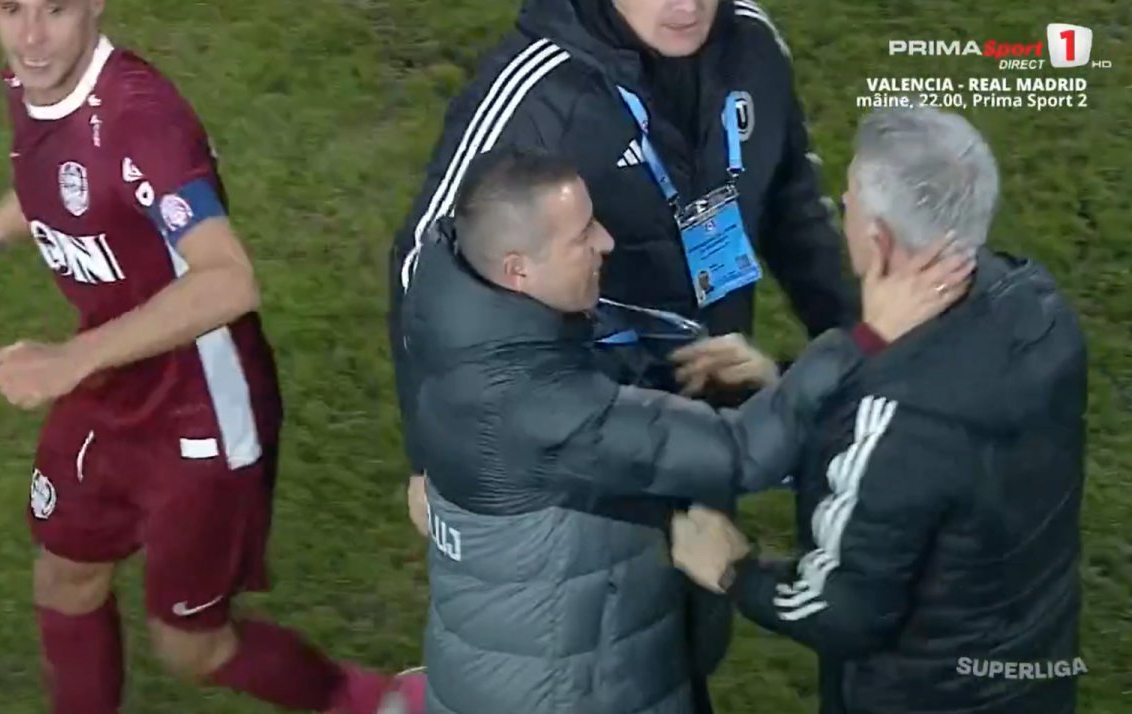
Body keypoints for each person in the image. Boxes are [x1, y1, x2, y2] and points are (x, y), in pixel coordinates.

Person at [0, 2, 423, 713]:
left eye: (55, 8)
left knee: (191, 647)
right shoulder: (35, 77)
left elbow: (229, 280)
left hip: (201, 413)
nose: (31, 37)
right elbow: (54, 176)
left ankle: (373, 701)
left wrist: (69, 362)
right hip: (111, 384)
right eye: (12, 8)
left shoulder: (142, 122)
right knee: (65, 577)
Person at [387, 0, 858, 690]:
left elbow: (793, 206)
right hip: (583, 433)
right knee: (587, 644)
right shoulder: (536, 94)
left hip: (704, 395)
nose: (686, 5)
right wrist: (430, 454)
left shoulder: (752, 44)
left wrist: (872, 354)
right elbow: (423, 268)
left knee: (692, 624)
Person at [400, 146, 973, 714]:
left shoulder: (455, 311)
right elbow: (741, 453)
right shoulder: (547, 411)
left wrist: (697, 370)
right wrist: (865, 339)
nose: (606, 241)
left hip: (523, 667)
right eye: (582, 236)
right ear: (518, 270)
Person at [668, 106, 1087, 714]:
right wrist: (784, 383)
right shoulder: (1041, 309)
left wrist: (735, 570)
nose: (842, 204)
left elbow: (845, 610)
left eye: (850, 201)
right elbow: (924, 451)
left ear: (879, 240)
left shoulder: (898, 415)